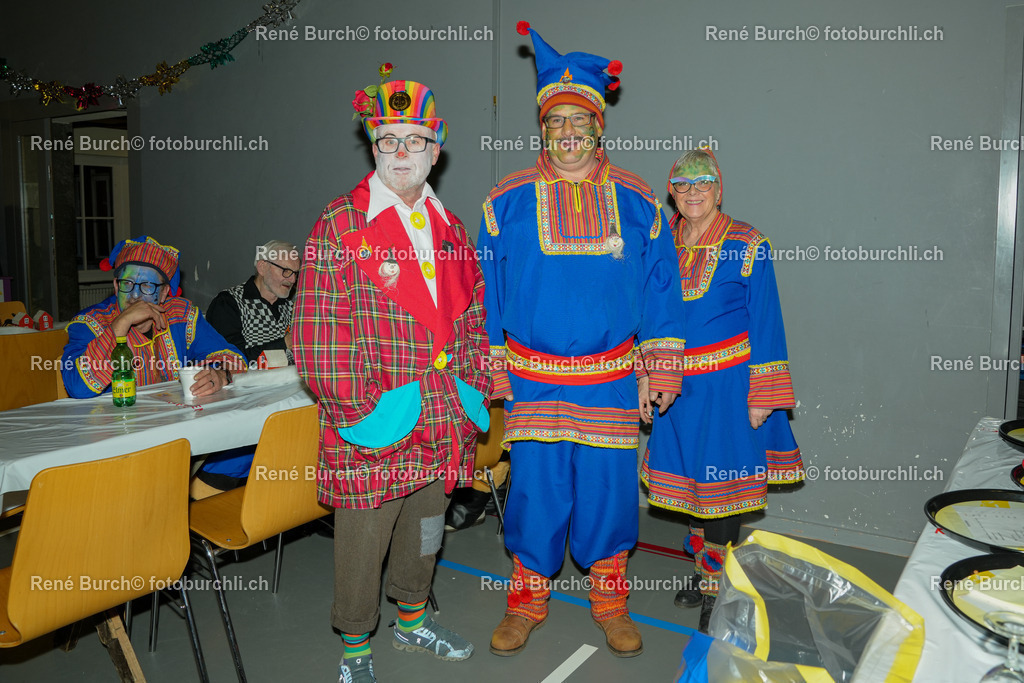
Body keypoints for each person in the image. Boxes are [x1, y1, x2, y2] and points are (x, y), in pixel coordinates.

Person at [477, 22, 686, 659]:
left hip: (613, 375)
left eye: (580, 120)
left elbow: (661, 290)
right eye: (555, 121)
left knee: (607, 489)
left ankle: (610, 599)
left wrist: (660, 367)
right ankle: (527, 599)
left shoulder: (639, 200)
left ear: (600, 125)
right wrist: (493, 361)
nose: (568, 133)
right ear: (540, 127)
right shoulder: (504, 202)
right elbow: (485, 289)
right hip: (534, 376)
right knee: (537, 490)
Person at [293, 70, 490, 683]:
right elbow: (317, 338)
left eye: (415, 139)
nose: (402, 152)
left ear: (437, 149)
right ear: (372, 146)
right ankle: (355, 648)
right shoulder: (338, 225)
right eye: (388, 140)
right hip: (375, 418)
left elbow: (474, 318)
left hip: (441, 413)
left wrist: (474, 386)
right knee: (362, 543)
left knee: (427, 528)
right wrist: (363, 413)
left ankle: (412, 619)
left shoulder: (453, 229)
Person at [641, 148, 802, 633]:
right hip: (675, 387)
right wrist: (646, 373)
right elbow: (644, 314)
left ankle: (715, 587)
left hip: (728, 389)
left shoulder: (748, 242)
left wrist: (763, 395)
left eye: (703, 183)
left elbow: (767, 319)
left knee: (720, 489)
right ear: (672, 191)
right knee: (690, 485)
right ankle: (702, 570)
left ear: (719, 188)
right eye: (683, 185)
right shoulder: (660, 241)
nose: (693, 193)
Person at [62, 235, 246, 399]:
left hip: (174, 422)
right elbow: (77, 388)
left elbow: (235, 358)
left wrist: (221, 373)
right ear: (116, 287)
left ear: (165, 292)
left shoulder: (180, 316)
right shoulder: (89, 323)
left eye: (147, 286)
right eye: (127, 283)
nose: (135, 295)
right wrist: (121, 323)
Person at [206, 240, 301, 365]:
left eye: (295, 273)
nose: (293, 279)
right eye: (286, 271)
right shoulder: (228, 303)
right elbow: (231, 360)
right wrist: (285, 343)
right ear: (262, 267)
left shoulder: (291, 307)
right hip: (245, 384)